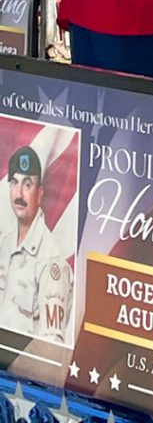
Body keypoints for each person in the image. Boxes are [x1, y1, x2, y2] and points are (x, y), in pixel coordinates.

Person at [0, 146, 73, 342]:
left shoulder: (51, 263)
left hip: (20, 371)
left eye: (27, 185)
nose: (19, 194)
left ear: (40, 194)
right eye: (14, 183)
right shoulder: (3, 245)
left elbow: (50, 347)